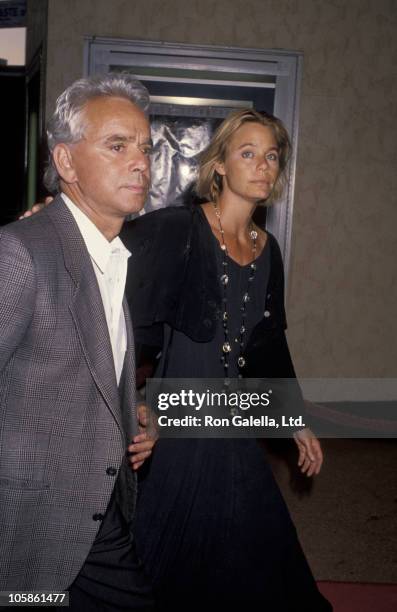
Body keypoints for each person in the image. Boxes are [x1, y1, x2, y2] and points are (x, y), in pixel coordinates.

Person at [122, 109, 333, 611]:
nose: (263, 165)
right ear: (218, 166)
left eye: (272, 156)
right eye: (247, 153)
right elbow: (116, 309)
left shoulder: (268, 248)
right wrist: (137, 400)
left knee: (262, 540)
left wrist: (296, 420)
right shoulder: (177, 229)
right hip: (177, 423)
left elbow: (267, 344)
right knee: (161, 556)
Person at [0, 73, 156, 611]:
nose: (141, 161)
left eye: (144, 147)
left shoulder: (112, 254)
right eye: (118, 146)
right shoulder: (21, 252)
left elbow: (77, 364)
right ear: (65, 163)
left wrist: (127, 412)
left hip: (96, 510)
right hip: (28, 523)